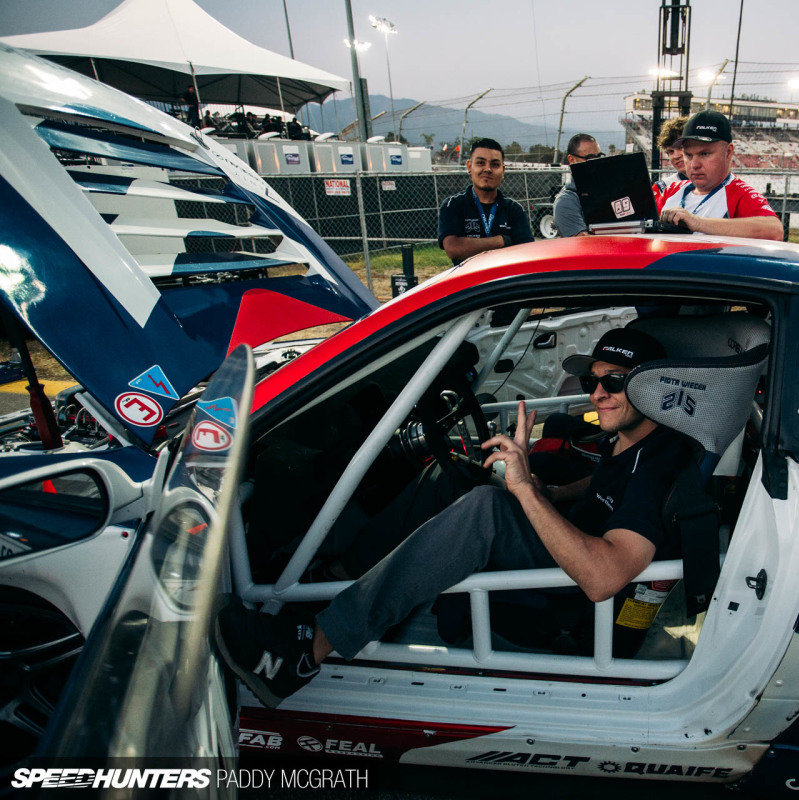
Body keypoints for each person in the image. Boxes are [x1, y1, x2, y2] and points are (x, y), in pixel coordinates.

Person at [214, 329, 696, 709]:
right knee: (457, 478)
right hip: (571, 549)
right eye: (592, 381)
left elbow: (602, 578)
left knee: (485, 508)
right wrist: (546, 488)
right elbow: (603, 487)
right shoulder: (634, 438)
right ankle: (333, 580)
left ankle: (303, 654)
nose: (596, 394)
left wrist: (525, 488)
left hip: (578, 602)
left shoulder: (661, 465)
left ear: (652, 384)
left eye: (614, 381)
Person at [659, 110, 784, 241]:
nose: (694, 164)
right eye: (688, 155)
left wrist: (697, 223)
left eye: (704, 154)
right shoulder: (671, 190)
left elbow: (774, 230)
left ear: (728, 152)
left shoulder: (738, 193)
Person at [438, 137, 534, 265]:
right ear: (469, 166)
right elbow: (454, 248)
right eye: (480, 163)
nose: (488, 169)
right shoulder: (453, 205)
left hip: (505, 281)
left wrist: (475, 246)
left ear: (503, 170)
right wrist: (503, 241)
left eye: (495, 164)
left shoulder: (514, 209)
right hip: (470, 282)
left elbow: (526, 252)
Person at [552, 133, 603, 237]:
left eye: (599, 157)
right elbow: (584, 244)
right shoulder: (566, 202)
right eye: (590, 158)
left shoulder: (608, 191)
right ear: (572, 160)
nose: (596, 163)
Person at [653, 117, 689, 211]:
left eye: (680, 148)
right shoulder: (662, 187)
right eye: (671, 151)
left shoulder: (724, 183)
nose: (675, 156)